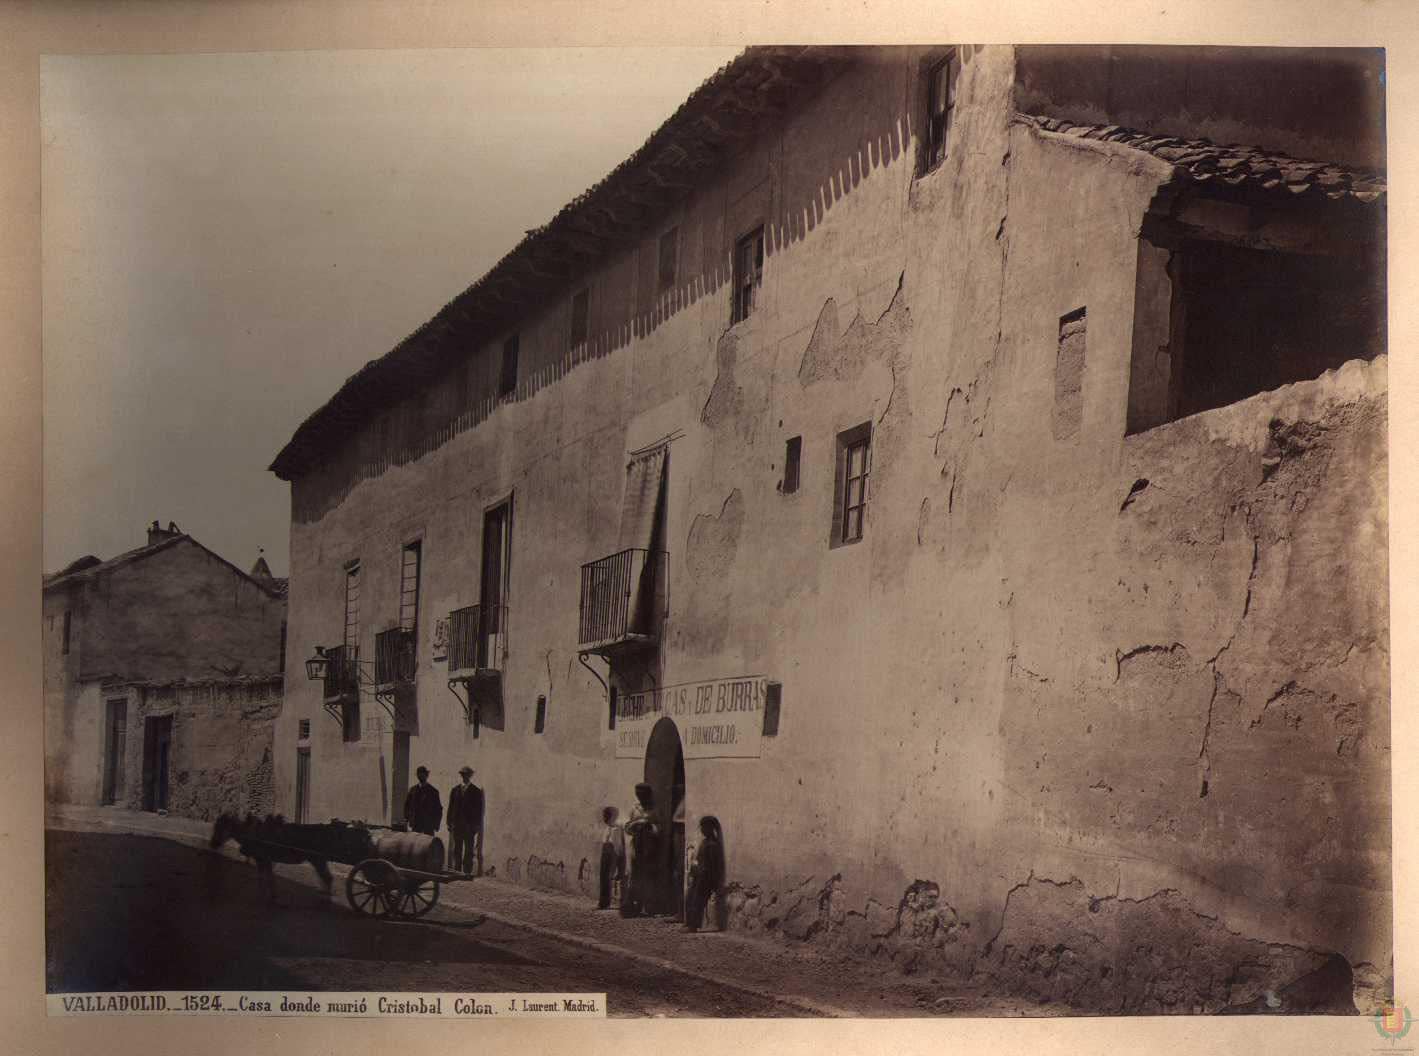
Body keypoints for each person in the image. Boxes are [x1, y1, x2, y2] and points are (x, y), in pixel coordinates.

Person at [620, 782, 659, 918]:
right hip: (636, 844)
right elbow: (626, 827)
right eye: (638, 795)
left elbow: (658, 828)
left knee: (647, 875)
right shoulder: (634, 808)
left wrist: (650, 826)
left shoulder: (653, 809)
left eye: (643, 795)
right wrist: (637, 823)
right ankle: (630, 906)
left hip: (649, 846)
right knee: (633, 875)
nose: (640, 797)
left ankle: (645, 906)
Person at [683, 815, 725, 932]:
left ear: (710, 828)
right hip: (699, 876)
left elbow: (711, 865)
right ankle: (689, 923)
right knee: (690, 898)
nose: (702, 829)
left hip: (705, 878)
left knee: (698, 901)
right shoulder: (705, 842)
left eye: (704, 827)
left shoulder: (712, 844)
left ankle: (693, 925)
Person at [447, 765, 484, 876]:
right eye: (463, 775)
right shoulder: (455, 790)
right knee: (457, 849)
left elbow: (478, 811)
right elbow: (451, 807)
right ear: (461, 776)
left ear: (470, 776)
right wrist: (449, 822)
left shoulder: (476, 791)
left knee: (468, 849)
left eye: (467, 775)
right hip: (457, 825)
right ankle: (457, 870)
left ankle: (467, 871)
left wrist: (476, 825)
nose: (464, 777)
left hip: (469, 826)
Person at [596, 806, 626, 910]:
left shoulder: (616, 827)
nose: (604, 818)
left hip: (612, 852)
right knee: (603, 876)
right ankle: (602, 902)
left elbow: (617, 844)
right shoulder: (608, 827)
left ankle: (606, 902)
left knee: (608, 877)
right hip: (606, 851)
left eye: (606, 816)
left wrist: (618, 858)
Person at [404, 765, 443, 837]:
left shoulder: (433, 791)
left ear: (426, 775)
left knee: (427, 846)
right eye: (419, 774)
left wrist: (436, 825)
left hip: (428, 825)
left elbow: (438, 809)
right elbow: (407, 806)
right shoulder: (413, 790)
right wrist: (407, 819)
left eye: (423, 774)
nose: (421, 776)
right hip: (416, 824)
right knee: (414, 845)